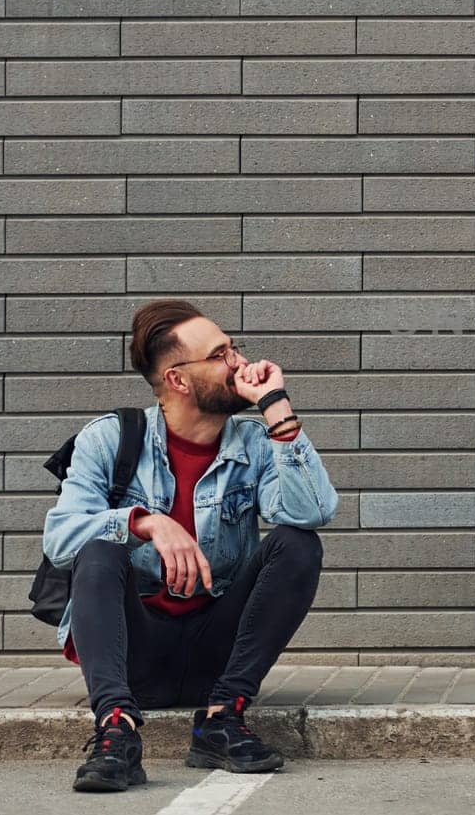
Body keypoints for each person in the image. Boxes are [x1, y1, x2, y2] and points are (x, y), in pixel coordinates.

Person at [43, 299, 338, 791]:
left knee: (298, 544)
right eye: (221, 354)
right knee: (97, 547)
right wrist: (145, 522)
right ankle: (117, 729)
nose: (240, 363)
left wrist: (277, 409)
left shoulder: (255, 444)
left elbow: (313, 511)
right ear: (178, 379)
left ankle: (222, 720)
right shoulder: (108, 439)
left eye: (234, 348)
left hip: (216, 655)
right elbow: (59, 538)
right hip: (134, 655)